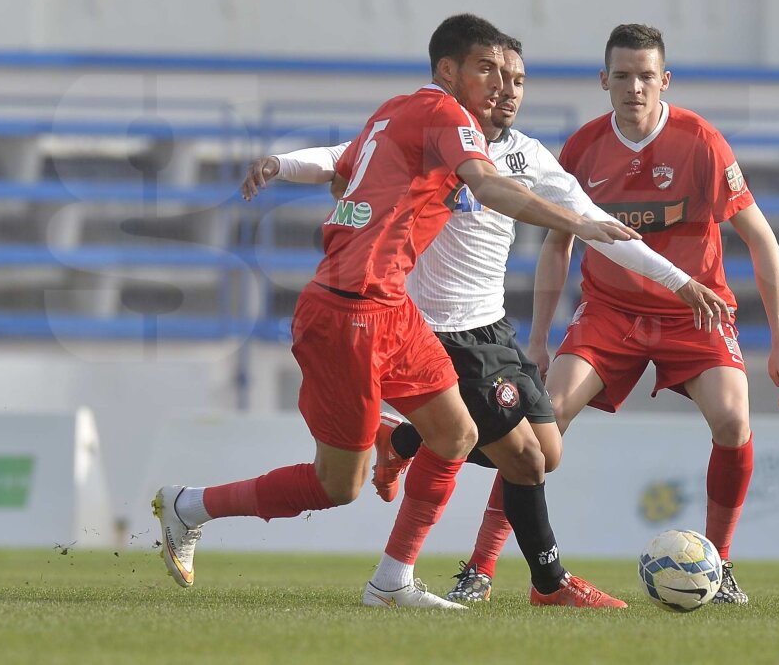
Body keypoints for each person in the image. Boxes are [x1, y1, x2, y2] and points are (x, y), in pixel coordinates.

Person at [152, 14, 639, 610]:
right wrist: (578, 223)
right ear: (447, 71)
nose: (498, 82)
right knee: (340, 486)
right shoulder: (444, 115)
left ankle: (392, 580)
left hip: (390, 306)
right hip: (346, 311)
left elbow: (342, 166)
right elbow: (486, 187)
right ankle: (189, 505)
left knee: (458, 433)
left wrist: (283, 164)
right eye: (484, 68)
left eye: (506, 71)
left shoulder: (396, 112)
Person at [241, 38, 728, 608]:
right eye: (494, 77)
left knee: (547, 452)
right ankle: (543, 582)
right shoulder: (437, 136)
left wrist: (680, 281)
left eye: (518, 82)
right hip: (433, 331)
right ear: (467, 80)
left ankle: (404, 438)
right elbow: (345, 154)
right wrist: (282, 163)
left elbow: (599, 225)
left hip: (493, 330)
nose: (506, 90)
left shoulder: (531, 158)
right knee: (521, 458)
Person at [508, 23, 779, 605]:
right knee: (542, 422)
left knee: (733, 422)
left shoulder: (701, 142)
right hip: (610, 311)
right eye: (623, 75)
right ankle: (485, 567)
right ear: (604, 81)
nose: (635, 87)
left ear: (664, 80)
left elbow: (761, 238)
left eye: (646, 76)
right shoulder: (583, 148)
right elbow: (557, 244)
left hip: (695, 314)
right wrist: (539, 338)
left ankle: (718, 568)